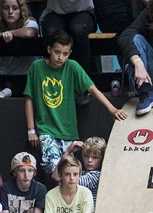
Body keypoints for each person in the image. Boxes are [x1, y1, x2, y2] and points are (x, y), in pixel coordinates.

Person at [24, 30, 126, 178]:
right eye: (57, 52)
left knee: (66, 174)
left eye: (65, 53)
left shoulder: (72, 66)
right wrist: (31, 130)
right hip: (45, 129)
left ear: (70, 53)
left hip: (68, 130)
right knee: (54, 172)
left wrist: (111, 109)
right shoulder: (37, 67)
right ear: (49, 50)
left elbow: (91, 88)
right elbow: (29, 98)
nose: (60, 57)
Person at [0, 0, 39, 86]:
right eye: (6, 8)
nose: (10, 11)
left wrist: (11, 33)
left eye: (15, 8)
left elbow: (28, 33)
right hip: (6, 75)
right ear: (1, 10)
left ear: (20, 10)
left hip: (28, 75)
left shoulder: (29, 22)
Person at [77, 136, 106, 210]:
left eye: (95, 157)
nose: (89, 160)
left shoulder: (96, 175)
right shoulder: (83, 173)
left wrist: (68, 151)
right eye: (86, 156)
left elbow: (63, 181)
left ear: (102, 159)